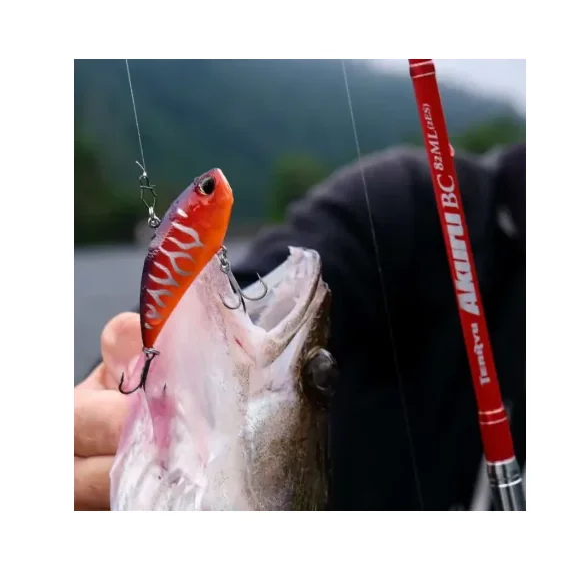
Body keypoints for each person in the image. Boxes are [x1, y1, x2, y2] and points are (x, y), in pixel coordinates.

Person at [74, 143, 526, 511]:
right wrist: (113, 385)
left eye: (318, 377)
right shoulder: (411, 206)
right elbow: (247, 288)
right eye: (318, 375)